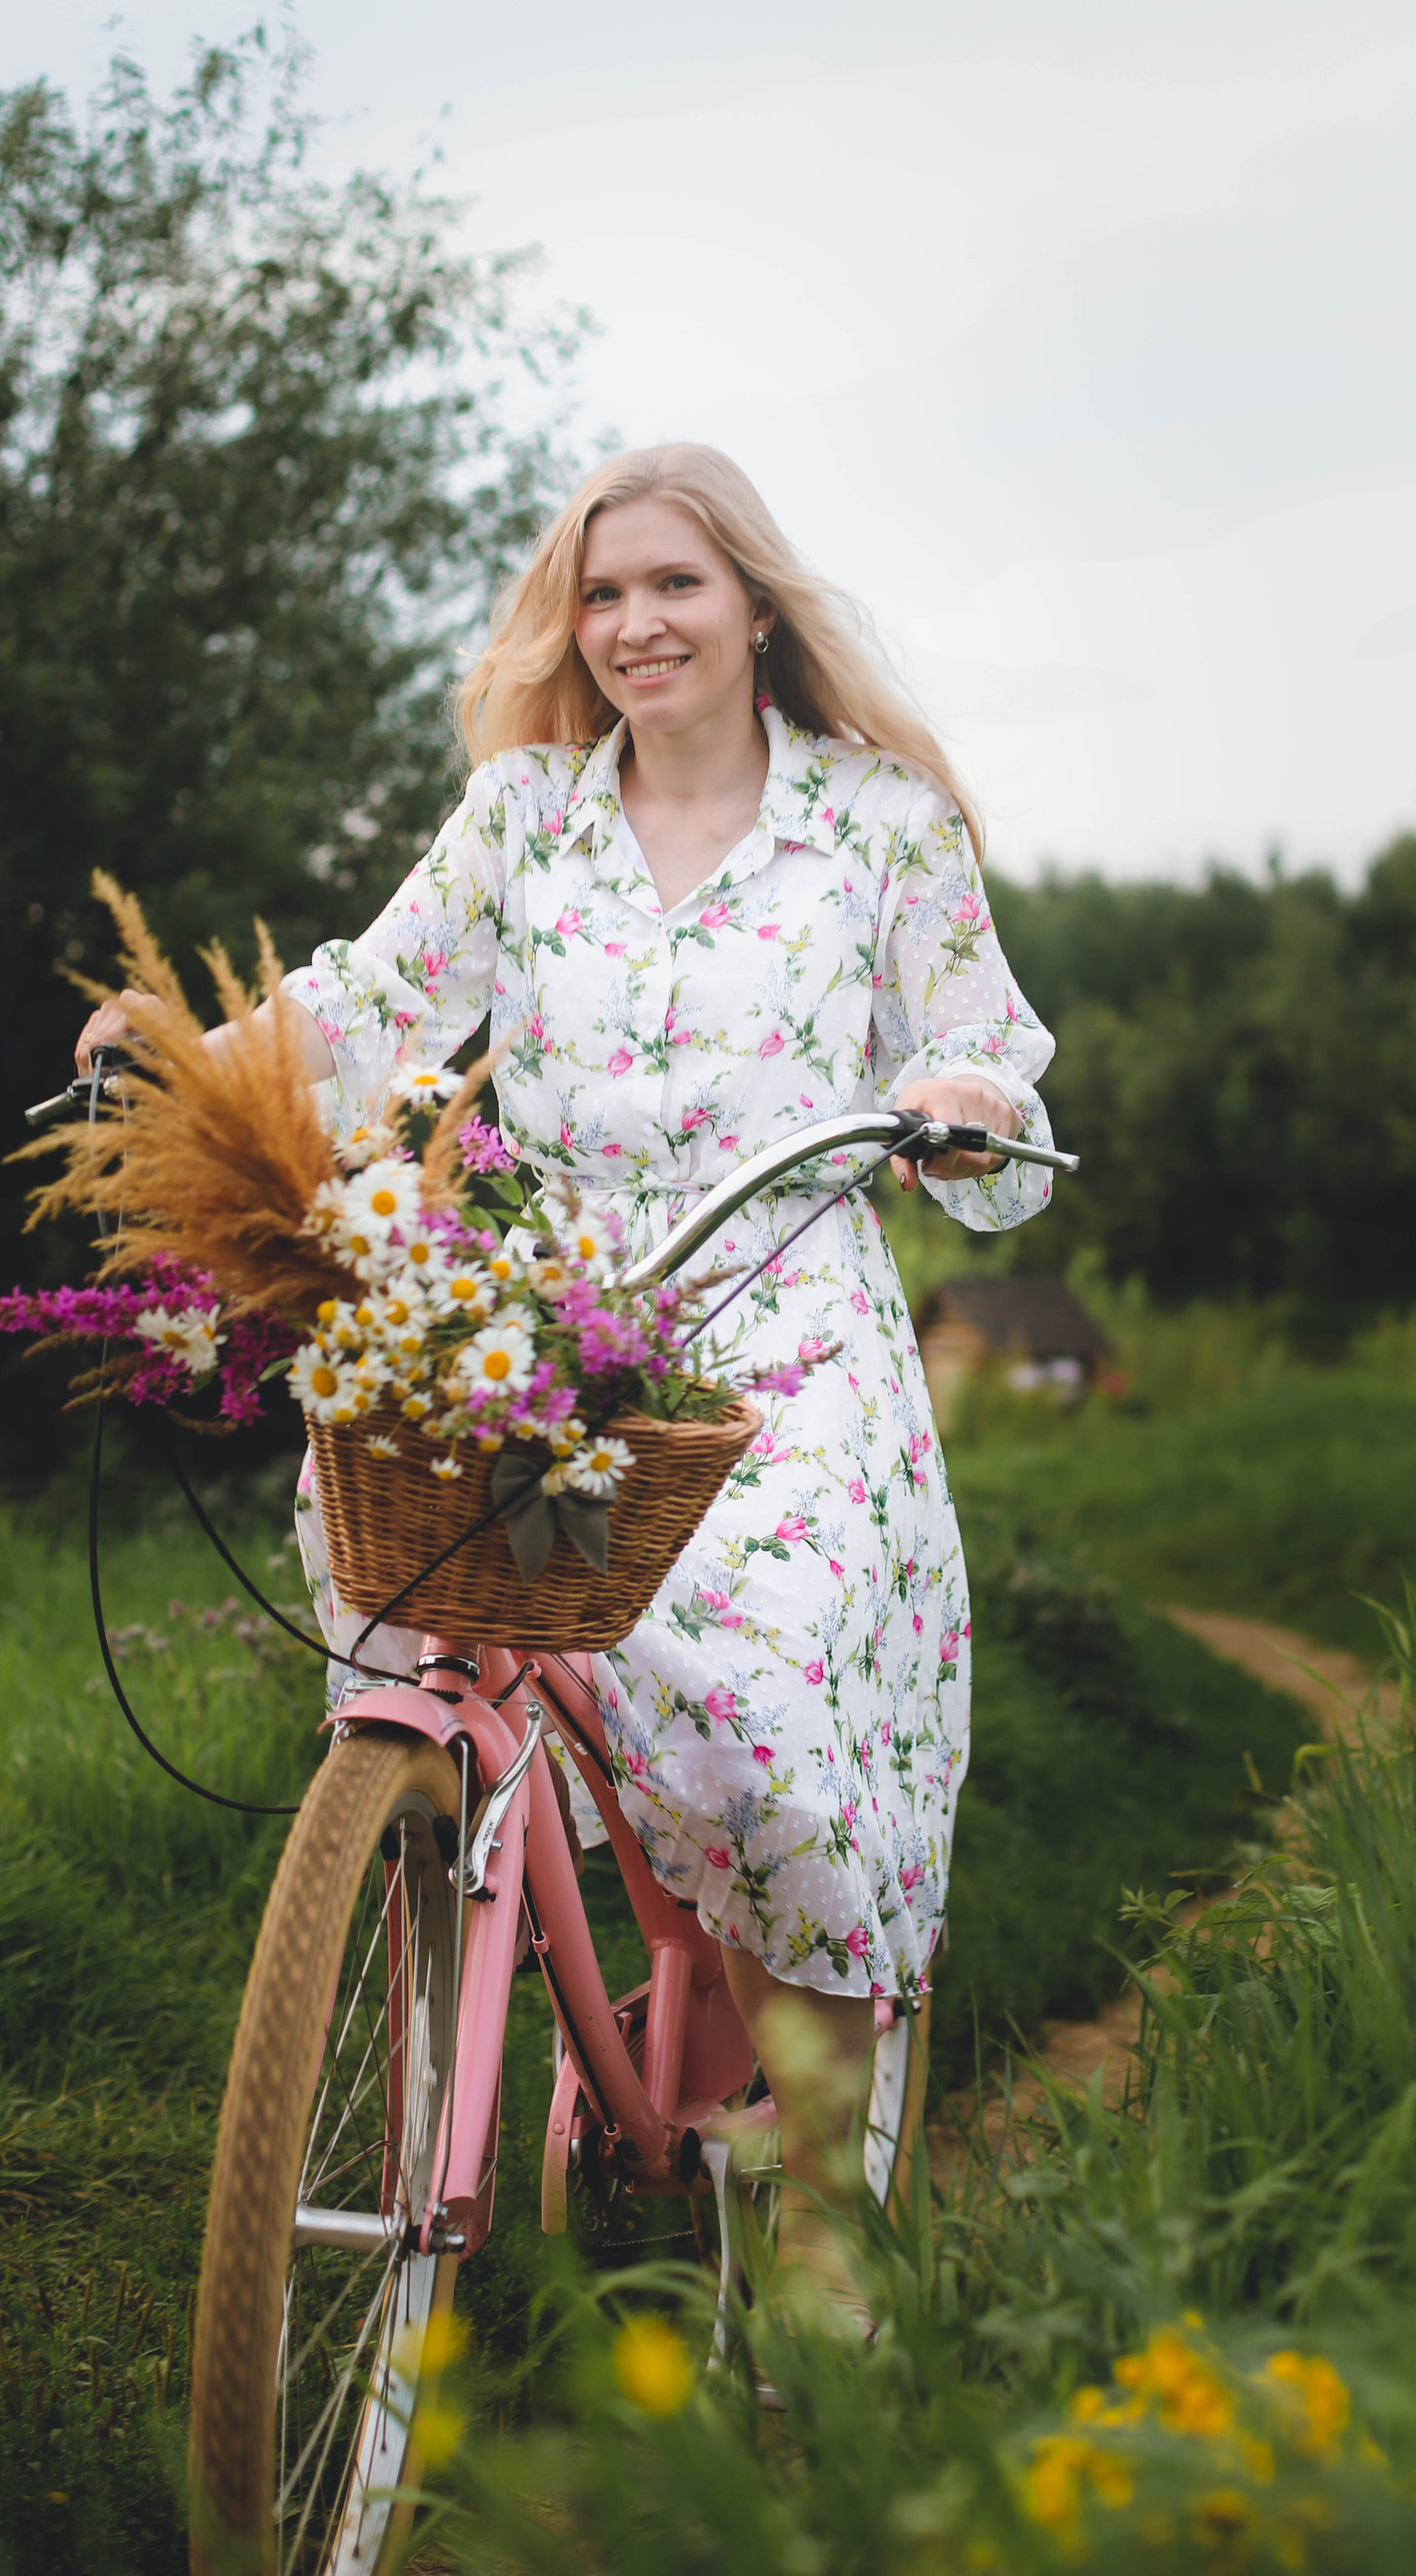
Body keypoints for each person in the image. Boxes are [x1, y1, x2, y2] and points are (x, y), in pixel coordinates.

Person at [78, 441, 1057, 2309]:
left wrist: (953, 1098)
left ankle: (832, 2209)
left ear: (752, 602)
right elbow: (365, 1006)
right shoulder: (521, 814)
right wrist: (191, 1056)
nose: (632, 624)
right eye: (601, 593)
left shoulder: (877, 822)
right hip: (566, 1309)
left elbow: (982, 1035)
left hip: (786, 1329)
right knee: (438, 1588)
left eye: (672, 585)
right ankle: (464, 1926)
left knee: (771, 1741)